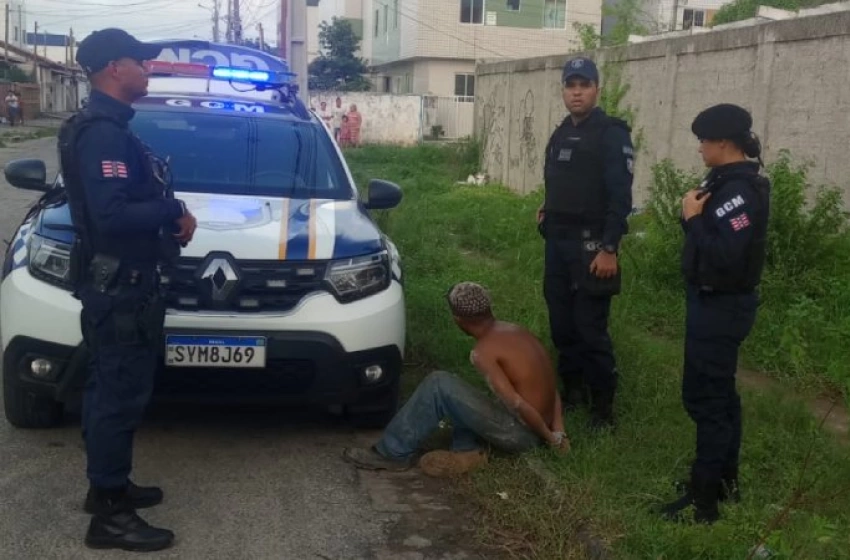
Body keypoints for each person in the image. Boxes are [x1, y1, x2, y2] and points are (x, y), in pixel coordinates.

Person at [61, 28, 197, 551]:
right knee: (117, 397)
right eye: (140, 60)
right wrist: (172, 211)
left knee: (109, 390)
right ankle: (110, 516)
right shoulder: (104, 134)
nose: (149, 67)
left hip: (120, 286)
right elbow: (113, 215)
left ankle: (109, 489)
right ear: (114, 68)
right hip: (121, 288)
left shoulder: (110, 127)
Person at [658, 103, 770, 524]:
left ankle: (704, 502)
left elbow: (724, 253)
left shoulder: (741, 192)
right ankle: (722, 482)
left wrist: (691, 220)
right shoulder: (725, 180)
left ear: (724, 142)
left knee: (707, 399)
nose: (701, 148)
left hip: (721, 306)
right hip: (712, 303)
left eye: (704, 141)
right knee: (720, 398)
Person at [342, 282, 569, 477]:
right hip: (542, 425)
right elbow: (551, 388)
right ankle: (467, 451)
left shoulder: (483, 352)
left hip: (523, 435)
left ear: (458, 320)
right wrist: (558, 431)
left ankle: (392, 453)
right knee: (458, 389)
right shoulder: (518, 332)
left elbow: (517, 404)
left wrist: (551, 440)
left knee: (439, 384)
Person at [538, 56, 634, 429]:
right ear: (563, 90)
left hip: (593, 246)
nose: (576, 92)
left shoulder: (612, 133)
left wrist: (610, 248)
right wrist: (548, 206)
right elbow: (562, 180)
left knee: (590, 327)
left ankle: (603, 409)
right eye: (570, 85)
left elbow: (619, 196)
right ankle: (573, 392)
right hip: (558, 244)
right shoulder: (562, 131)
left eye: (584, 85)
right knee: (562, 324)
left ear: (597, 88)